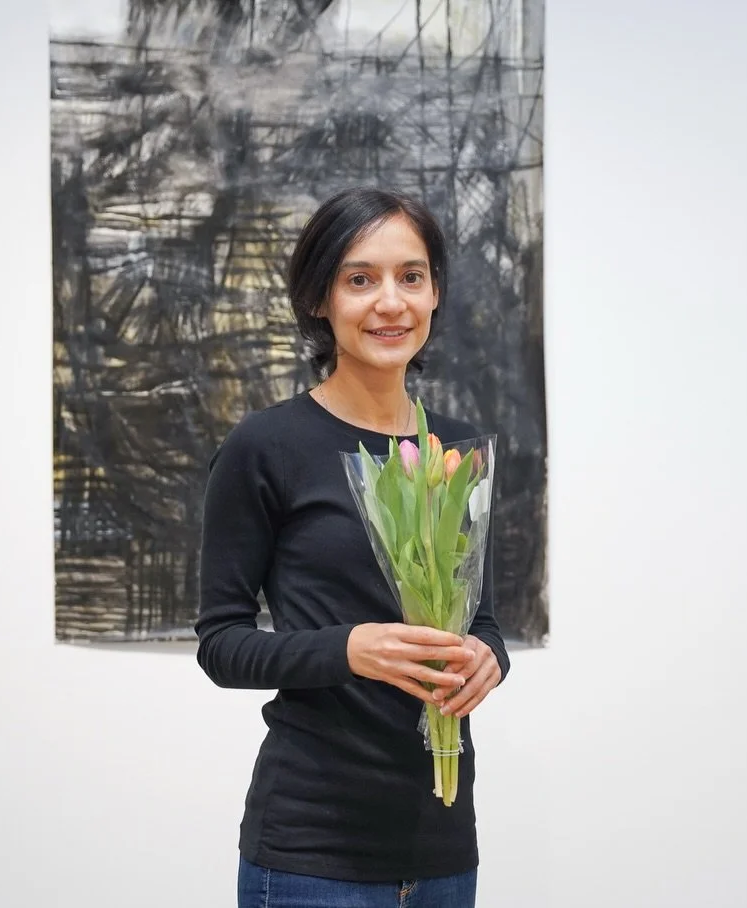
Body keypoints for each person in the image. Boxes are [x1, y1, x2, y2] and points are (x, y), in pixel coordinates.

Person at [195, 186, 511, 908]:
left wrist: (490, 660)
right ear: (320, 299)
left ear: (435, 294)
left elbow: (480, 621)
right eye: (359, 279)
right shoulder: (265, 448)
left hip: (443, 847)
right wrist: (349, 649)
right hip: (311, 851)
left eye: (412, 276)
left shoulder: (452, 450)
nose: (390, 302)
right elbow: (222, 643)